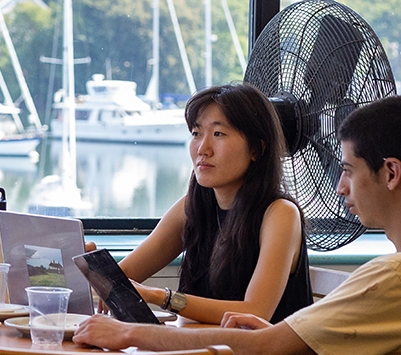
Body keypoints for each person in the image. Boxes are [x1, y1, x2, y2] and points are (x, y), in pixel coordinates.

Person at [72, 95, 401, 355]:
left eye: (348, 170)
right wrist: (277, 332)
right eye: (198, 133)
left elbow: (261, 354)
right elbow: (272, 342)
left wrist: (130, 334)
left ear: (391, 174)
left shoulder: (398, 275)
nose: (340, 187)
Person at [114, 83, 310, 324]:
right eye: (196, 133)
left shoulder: (280, 213)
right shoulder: (193, 206)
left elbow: (255, 313)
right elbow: (123, 276)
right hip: (204, 350)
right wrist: (90, 263)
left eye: (218, 134)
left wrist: (160, 296)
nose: (202, 149)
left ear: (257, 149)